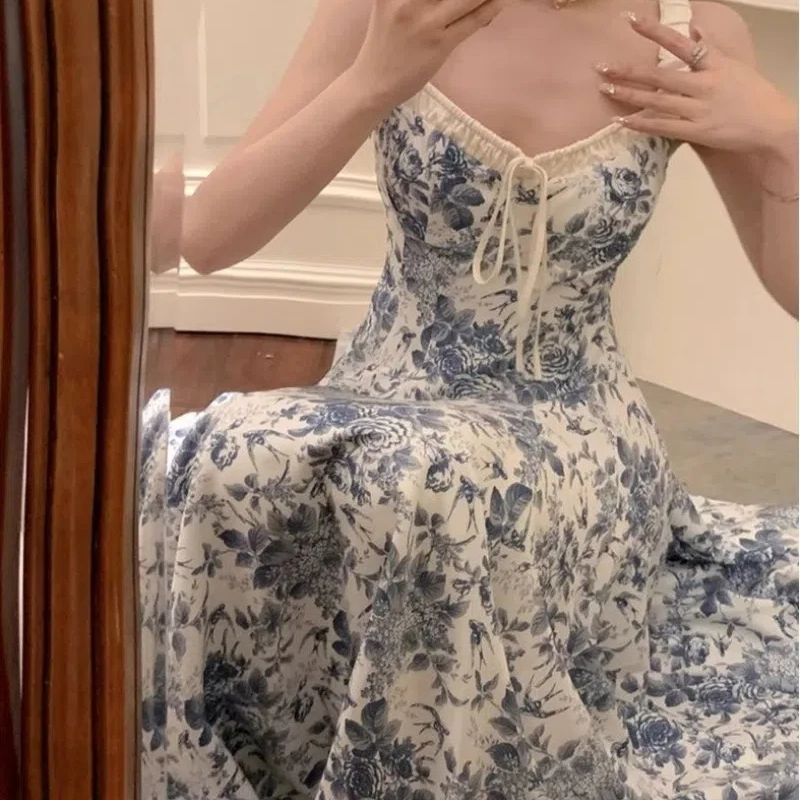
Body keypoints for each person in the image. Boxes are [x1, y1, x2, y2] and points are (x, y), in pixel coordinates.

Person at [139, 1, 799, 798]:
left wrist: (783, 138)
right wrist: (372, 82)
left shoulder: (692, 32)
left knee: (426, 484)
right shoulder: (389, 8)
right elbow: (210, 237)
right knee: (223, 457)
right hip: (380, 391)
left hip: (574, 430)